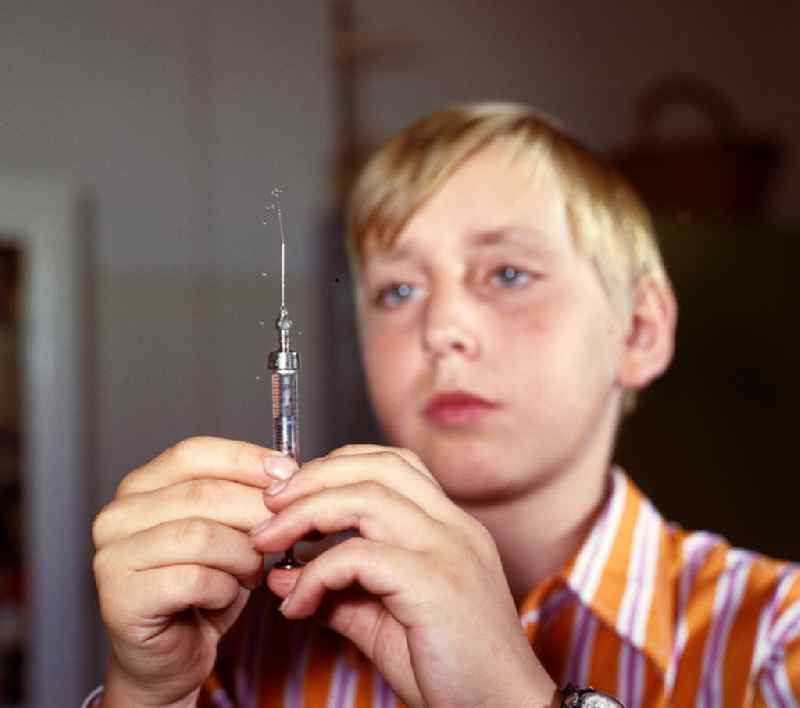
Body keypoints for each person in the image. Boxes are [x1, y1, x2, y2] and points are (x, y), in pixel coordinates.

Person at [88, 102, 800, 708]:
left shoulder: (778, 637)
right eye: (398, 292)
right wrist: (146, 697)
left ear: (640, 330)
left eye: (509, 273)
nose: (442, 331)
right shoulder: (256, 642)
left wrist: (514, 697)